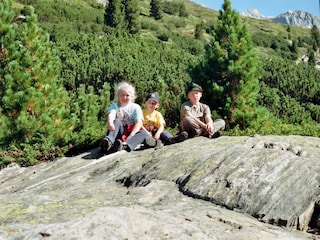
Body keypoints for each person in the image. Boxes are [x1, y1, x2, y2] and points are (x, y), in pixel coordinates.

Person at [100, 81, 149, 153]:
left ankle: (124, 145)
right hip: (119, 132)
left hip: (131, 132)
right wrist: (110, 123)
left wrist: (132, 135)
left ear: (132, 96)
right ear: (118, 95)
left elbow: (139, 122)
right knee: (116, 121)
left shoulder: (136, 107)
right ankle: (108, 142)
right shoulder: (115, 106)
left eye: (127, 95)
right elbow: (111, 114)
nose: (124, 97)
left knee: (144, 133)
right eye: (122, 95)